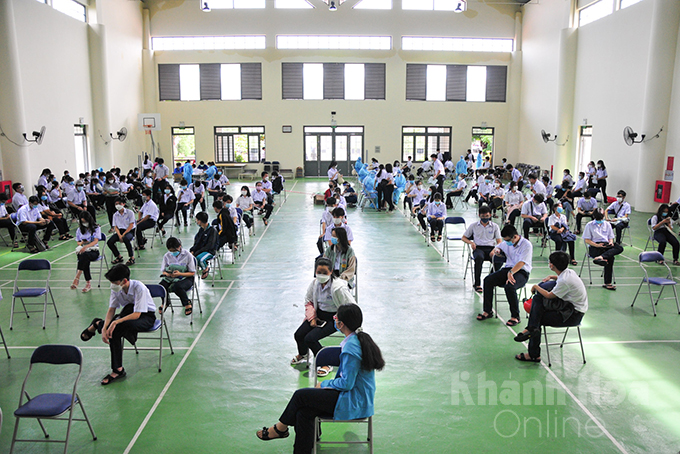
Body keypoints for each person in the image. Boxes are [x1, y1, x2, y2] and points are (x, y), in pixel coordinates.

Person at [263, 304, 383, 453]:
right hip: (351, 396)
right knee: (303, 413)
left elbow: (346, 383)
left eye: (335, 317)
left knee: (300, 396)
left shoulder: (351, 348)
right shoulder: (354, 341)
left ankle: (280, 428)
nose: (334, 320)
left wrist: (325, 383)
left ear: (342, 324)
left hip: (353, 401)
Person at [79, 264, 157, 385]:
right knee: (114, 330)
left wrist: (115, 322)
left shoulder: (139, 288)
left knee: (120, 326)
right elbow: (111, 309)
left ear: (124, 281)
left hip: (146, 316)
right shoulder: (116, 289)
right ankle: (118, 370)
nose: (112, 285)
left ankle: (97, 323)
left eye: (114, 282)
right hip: (127, 313)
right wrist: (105, 328)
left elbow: (137, 315)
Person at [513, 251, 588, 363]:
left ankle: (533, 353)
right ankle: (531, 329)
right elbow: (559, 280)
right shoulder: (569, 272)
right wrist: (551, 277)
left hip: (571, 315)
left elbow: (549, 295)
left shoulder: (564, 281)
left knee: (537, 317)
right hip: (570, 308)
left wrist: (535, 286)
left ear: (552, 265)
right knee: (539, 302)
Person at [289, 257, 357, 374]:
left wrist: (340, 320)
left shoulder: (338, 288)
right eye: (318, 272)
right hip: (317, 316)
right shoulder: (314, 284)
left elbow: (352, 306)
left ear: (331, 272)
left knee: (310, 339)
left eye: (325, 273)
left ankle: (326, 362)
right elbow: (308, 301)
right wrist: (312, 318)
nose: (321, 275)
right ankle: (303, 354)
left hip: (334, 319)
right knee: (299, 335)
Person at [478, 224, 533, 326]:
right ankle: (488, 311)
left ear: (515, 237)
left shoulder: (526, 245)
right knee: (488, 280)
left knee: (510, 286)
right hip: (507, 269)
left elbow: (522, 262)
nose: (507, 242)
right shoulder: (506, 243)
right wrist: (496, 251)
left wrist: (511, 273)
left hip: (521, 272)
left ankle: (515, 316)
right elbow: (496, 248)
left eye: (508, 240)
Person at [462, 206, 503, 293]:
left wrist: (495, 249)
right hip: (478, 248)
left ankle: (490, 279)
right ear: (479, 215)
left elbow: (499, 241)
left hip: (491, 248)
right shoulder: (473, 226)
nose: (485, 218)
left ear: (490, 215)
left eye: (487, 216)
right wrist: (471, 243)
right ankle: (477, 284)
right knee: (479, 258)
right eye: (483, 216)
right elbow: (464, 237)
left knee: (499, 260)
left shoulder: (495, 226)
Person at [582, 209, 623, 291]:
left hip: (606, 245)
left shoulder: (607, 224)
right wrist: (597, 245)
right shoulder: (589, 225)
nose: (600, 220)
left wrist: (610, 242)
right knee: (611, 257)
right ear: (594, 217)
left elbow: (611, 237)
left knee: (619, 248)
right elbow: (587, 240)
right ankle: (608, 283)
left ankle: (601, 257)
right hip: (595, 246)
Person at [159, 237, 196, 316]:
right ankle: (165, 302)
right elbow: (163, 270)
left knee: (177, 286)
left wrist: (180, 274)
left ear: (179, 247)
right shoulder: (167, 256)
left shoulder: (187, 255)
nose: (172, 252)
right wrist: (167, 274)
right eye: (170, 251)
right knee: (162, 286)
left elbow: (192, 273)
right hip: (171, 277)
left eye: (174, 251)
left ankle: (187, 303)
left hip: (186, 277)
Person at [72, 211, 101, 293]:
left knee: (84, 257)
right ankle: (88, 283)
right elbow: (78, 242)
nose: (84, 223)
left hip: (93, 250)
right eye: (82, 221)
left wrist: (86, 246)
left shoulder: (96, 228)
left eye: (85, 221)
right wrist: (82, 243)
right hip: (83, 251)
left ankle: (77, 277)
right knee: (84, 257)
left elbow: (95, 241)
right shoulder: (79, 230)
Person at [107, 197, 136, 266]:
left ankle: (131, 257)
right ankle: (119, 256)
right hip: (120, 231)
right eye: (116, 204)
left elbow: (131, 225)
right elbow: (115, 227)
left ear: (123, 204)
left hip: (129, 231)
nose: (117, 205)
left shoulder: (130, 213)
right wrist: (119, 235)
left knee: (126, 239)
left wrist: (123, 235)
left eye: (119, 203)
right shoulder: (115, 215)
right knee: (110, 242)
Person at [190, 211, 218, 279]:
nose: (196, 221)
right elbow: (197, 242)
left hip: (210, 251)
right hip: (201, 250)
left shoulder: (212, 230)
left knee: (199, 259)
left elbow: (210, 246)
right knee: (190, 257)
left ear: (199, 221)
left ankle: (205, 268)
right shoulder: (201, 230)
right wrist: (193, 250)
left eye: (196, 220)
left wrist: (198, 252)